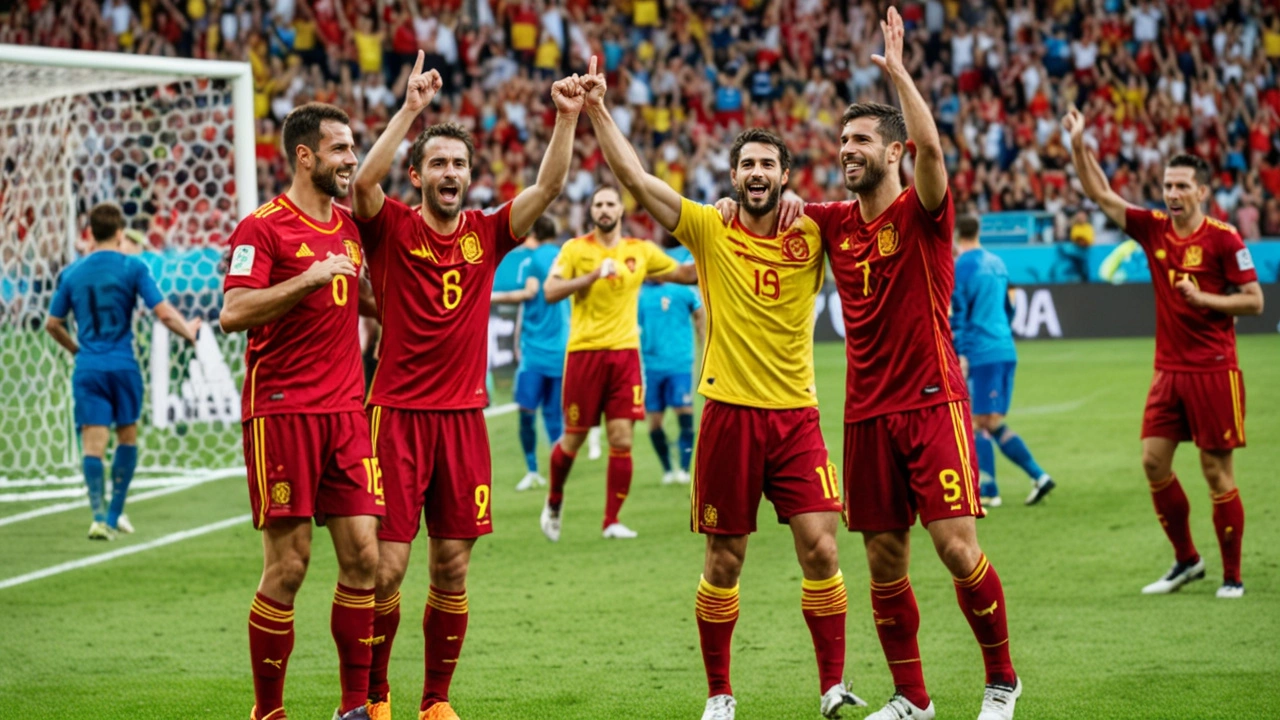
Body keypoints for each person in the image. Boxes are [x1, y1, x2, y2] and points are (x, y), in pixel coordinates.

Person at [578, 65, 866, 720]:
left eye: (768, 164)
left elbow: (874, 203)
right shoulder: (711, 228)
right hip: (729, 416)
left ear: (785, 175)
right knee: (725, 559)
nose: (757, 174)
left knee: (822, 545)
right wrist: (598, 110)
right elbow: (638, 182)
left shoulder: (813, 232)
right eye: (748, 166)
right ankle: (719, 693)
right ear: (733, 177)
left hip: (797, 417)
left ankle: (831, 686)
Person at [801, 10, 1021, 720]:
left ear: (892, 151)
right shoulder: (834, 222)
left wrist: (898, 76)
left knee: (958, 550)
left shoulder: (924, 213)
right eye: (843, 141)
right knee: (883, 563)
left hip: (933, 402)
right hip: (865, 411)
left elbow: (932, 145)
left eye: (861, 140)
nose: (847, 150)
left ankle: (1001, 681)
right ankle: (914, 698)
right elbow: (763, 213)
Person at [349, 52, 580, 720]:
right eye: (439, 164)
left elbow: (548, 191)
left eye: (460, 165)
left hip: (464, 422)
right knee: (386, 570)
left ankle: (435, 700)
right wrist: (411, 110)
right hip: (395, 417)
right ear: (418, 174)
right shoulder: (391, 227)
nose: (451, 174)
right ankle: (375, 693)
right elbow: (363, 185)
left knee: (452, 567)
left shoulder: (486, 233)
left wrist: (565, 119)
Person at [218, 102, 385, 720]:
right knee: (289, 567)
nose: (351, 160)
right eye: (340, 149)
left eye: (352, 148)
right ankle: (268, 712)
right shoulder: (260, 228)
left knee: (364, 557)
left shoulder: (349, 228)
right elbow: (234, 312)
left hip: (346, 413)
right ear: (305, 155)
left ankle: (353, 709)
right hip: (281, 411)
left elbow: (366, 300)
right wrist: (307, 279)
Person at [1063, 107, 1263, 599]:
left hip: (1214, 370)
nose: (1171, 194)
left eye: (1181, 186)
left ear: (1202, 191)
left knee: (1217, 472)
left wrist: (1206, 299)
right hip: (1167, 372)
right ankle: (1186, 560)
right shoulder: (1153, 228)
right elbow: (1101, 194)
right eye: (1167, 185)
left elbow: (1255, 301)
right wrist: (1078, 142)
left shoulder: (1223, 239)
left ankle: (1232, 575)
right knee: (1153, 463)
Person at [539, 184, 697, 541]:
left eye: (611, 203)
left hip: (625, 354)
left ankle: (611, 520)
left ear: (621, 210)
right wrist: (591, 276)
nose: (605, 209)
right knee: (574, 439)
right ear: (591, 211)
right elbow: (550, 291)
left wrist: (715, 250)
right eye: (599, 204)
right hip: (584, 353)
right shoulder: (575, 249)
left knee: (622, 438)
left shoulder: (639, 251)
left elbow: (685, 275)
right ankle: (554, 500)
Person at [45, 202, 201, 540]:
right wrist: (189, 332)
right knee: (126, 438)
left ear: (88, 233)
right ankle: (115, 514)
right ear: (119, 233)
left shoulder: (72, 273)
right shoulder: (133, 267)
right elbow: (164, 314)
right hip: (123, 366)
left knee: (92, 446)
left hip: (89, 367)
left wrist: (77, 350)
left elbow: (52, 323)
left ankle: (98, 516)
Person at [951, 214, 1056, 507]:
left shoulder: (962, 267)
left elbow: (958, 313)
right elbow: (1010, 307)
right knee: (991, 421)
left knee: (974, 421)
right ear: (978, 231)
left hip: (981, 352)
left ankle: (989, 489)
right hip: (1004, 348)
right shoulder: (997, 263)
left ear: (957, 236)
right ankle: (1038, 476)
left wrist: (961, 352)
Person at [491, 216, 568, 491]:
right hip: (561, 347)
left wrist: (490, 297)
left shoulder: (533, 259)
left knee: (526, 410)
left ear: (532, 233)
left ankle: (533, 469)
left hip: (536, 350)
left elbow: (529, 293)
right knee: (553, 414)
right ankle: (559, 472)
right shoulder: (564, 256)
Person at [638, 245, 705, 484]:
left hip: (679, 363)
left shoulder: (681, 288)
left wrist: (703, 340)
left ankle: (685, 469)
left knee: (684, 412)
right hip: (651, 367)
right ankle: (667, 468)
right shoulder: (639, 294)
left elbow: (700, 312)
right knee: (654, 422)